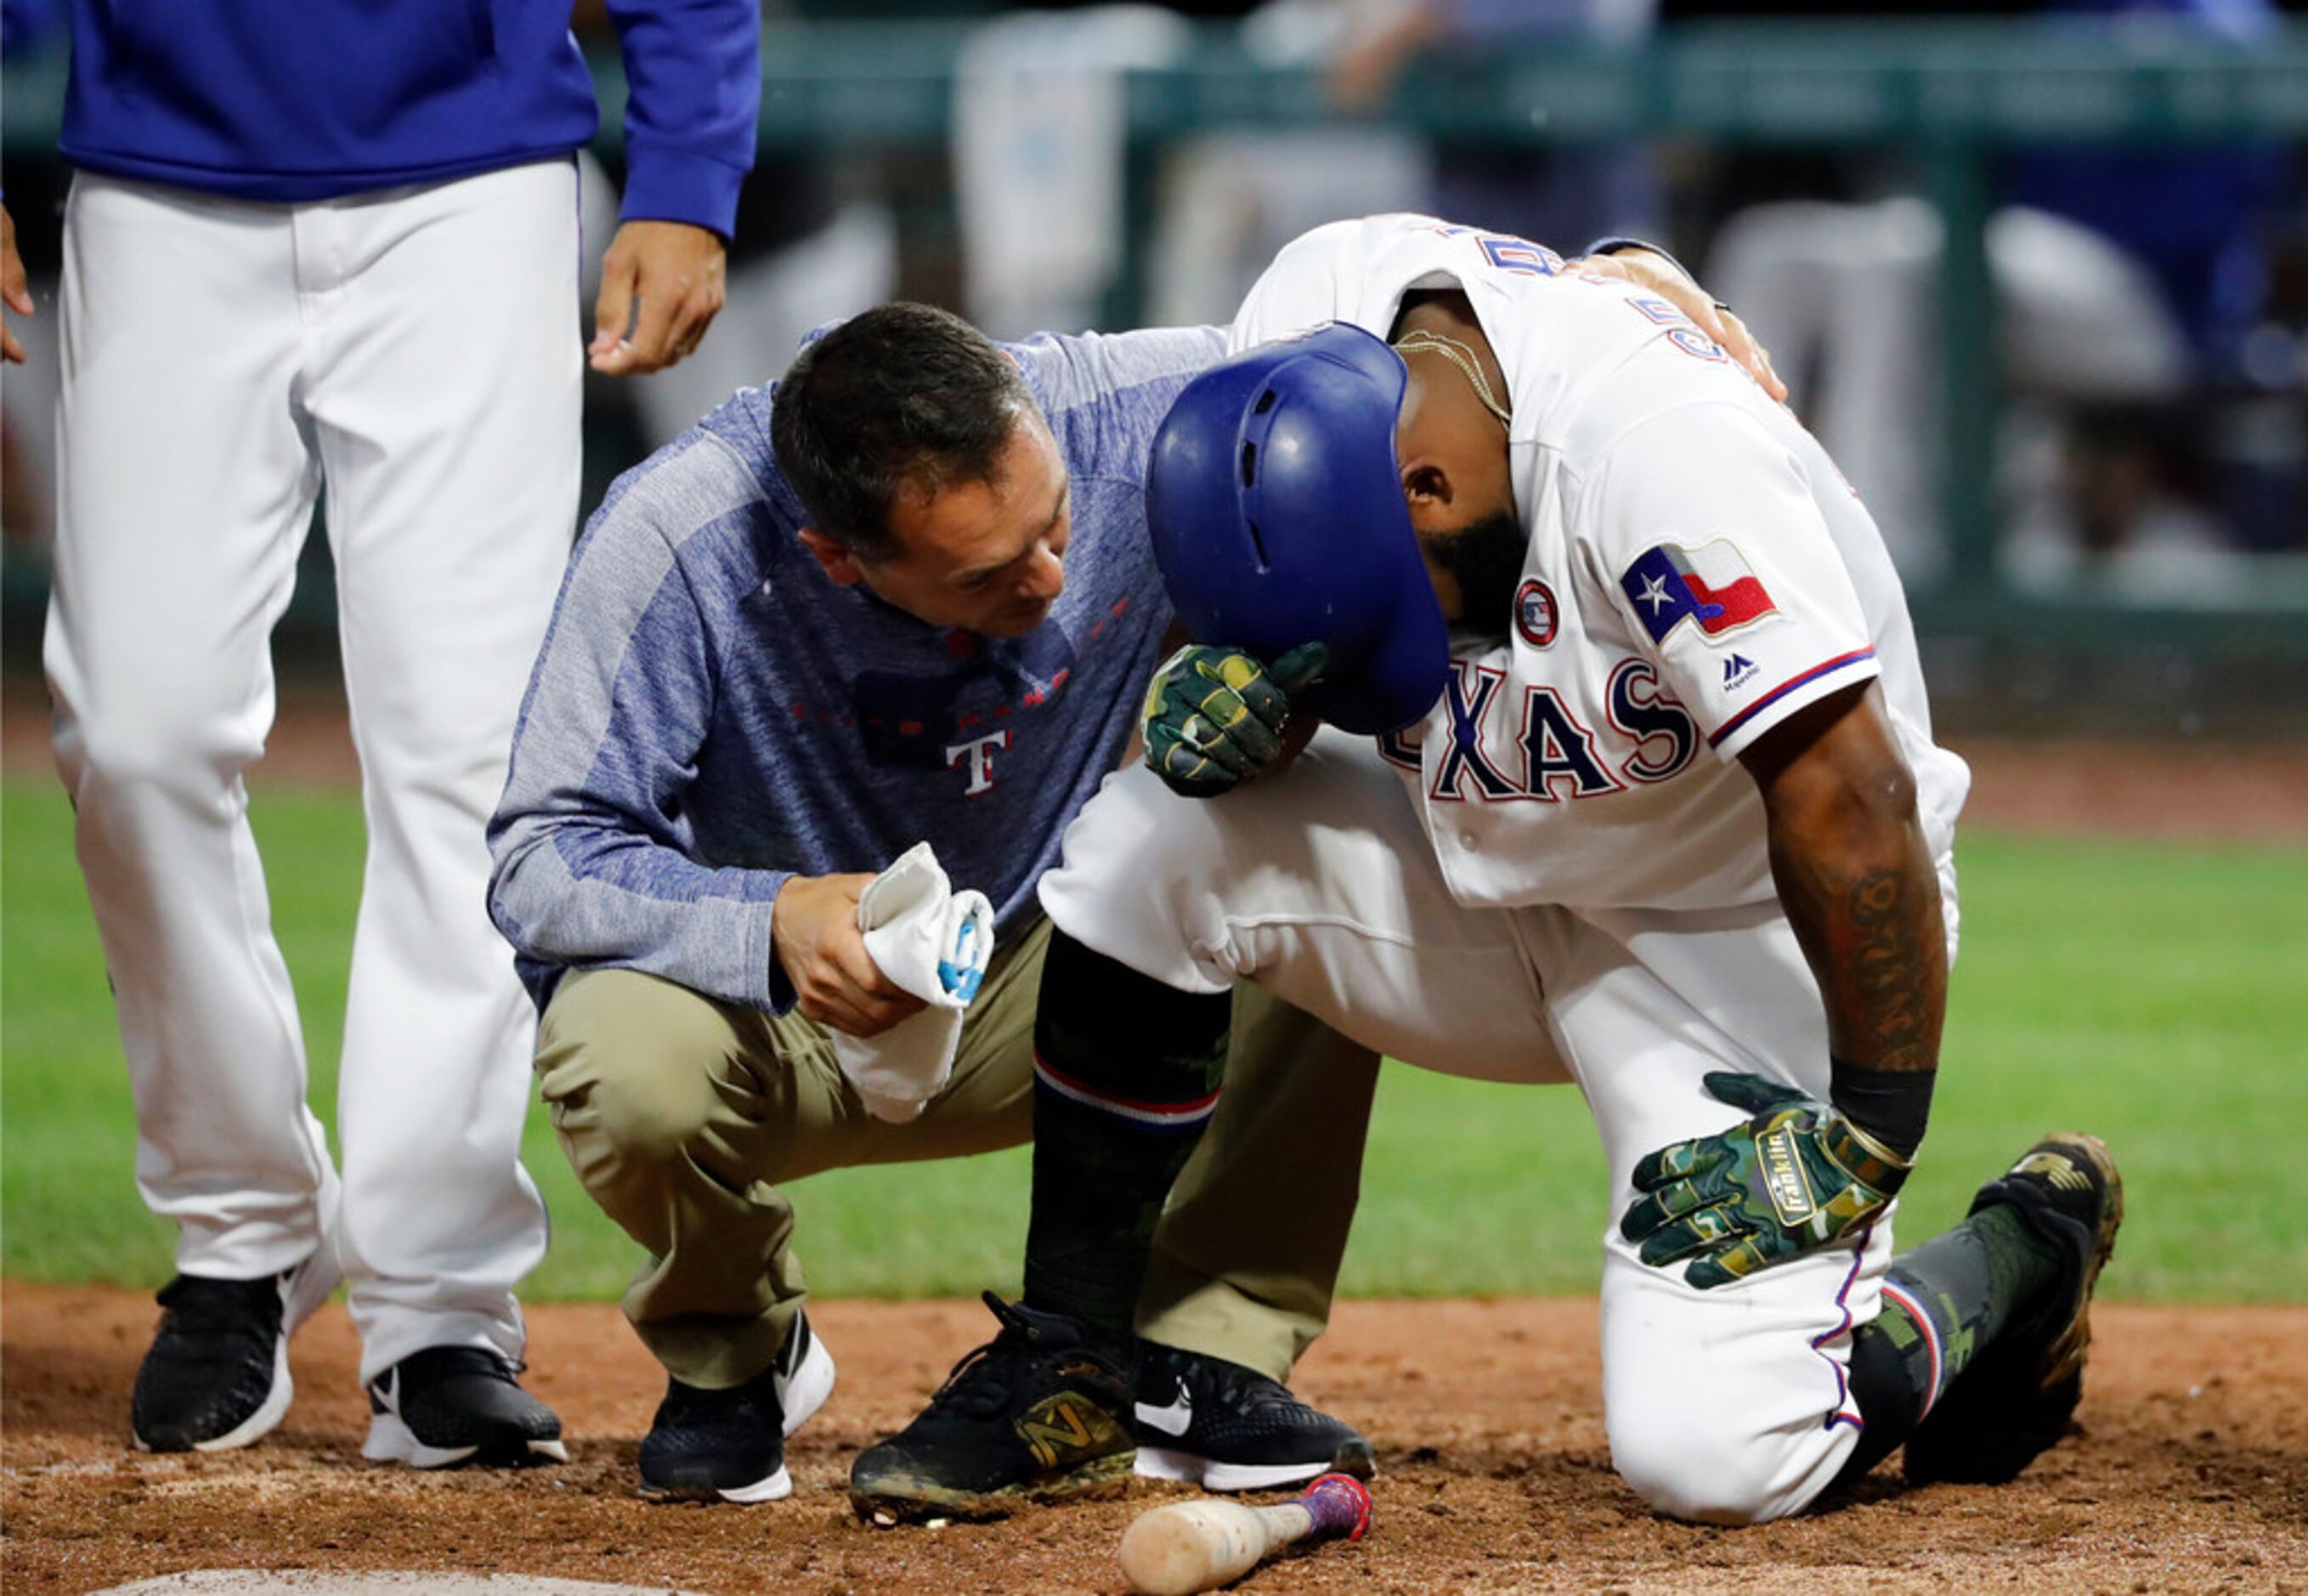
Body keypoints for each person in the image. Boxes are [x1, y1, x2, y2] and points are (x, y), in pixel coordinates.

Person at [485, 255, 1768, 1511]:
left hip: (1057, 969)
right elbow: (542, 851)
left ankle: (1202, 1350)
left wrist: (1613, 282)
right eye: (988, 573)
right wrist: (765, 920)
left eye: (1052, 528)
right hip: (791, 1003)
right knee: (616, 1047)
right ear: (838, 558)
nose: (1047, 578)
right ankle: (735, 1347)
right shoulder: (679, 535)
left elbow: (1402, 324)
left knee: (1297, 841)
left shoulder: (1139, 411)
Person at [1026, 214, 2124, 1525]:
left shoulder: (1655, 452)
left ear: (1427, 488)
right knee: (1147, 841)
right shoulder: (1308, 331)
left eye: (1403, 609)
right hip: (1466, 873)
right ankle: (1068, 1365)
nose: (1404, 648)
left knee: (1718, 1457)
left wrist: (1871, 1130)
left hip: (1732, 933)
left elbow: (1852, 791)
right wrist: (1250, 697)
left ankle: (2022, 1253)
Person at [8, 0, 757, 1468]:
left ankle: (438, 1296)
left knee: (471, 752)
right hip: (158, 177)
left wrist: (685, 164)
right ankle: (246, 1228)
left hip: (470, 176)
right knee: (131, 727)